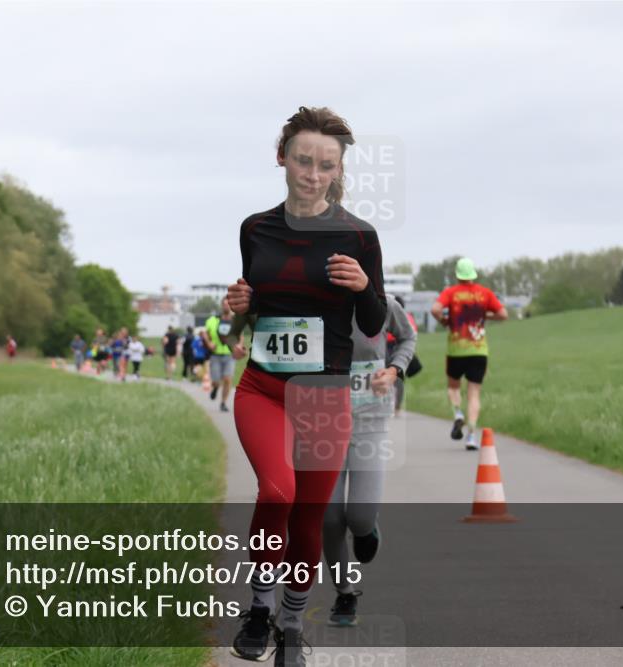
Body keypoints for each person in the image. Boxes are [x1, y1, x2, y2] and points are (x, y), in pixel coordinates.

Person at [226, 106, 387, 667]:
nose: (312, 174)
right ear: (282, 158)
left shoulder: (359, 236)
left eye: (325, 165)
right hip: (264, 388)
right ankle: (259, 607)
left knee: (308, 517)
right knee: (278, 492)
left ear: (338, 170)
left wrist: (366, 286)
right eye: (303, 160)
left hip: (326, 394)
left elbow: (371, 324)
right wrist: (237, 312)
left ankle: (292, 625)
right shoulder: (254, 228)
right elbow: (243, 323)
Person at [322, 294, 415, 626]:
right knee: (329, 520)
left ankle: (366, 527)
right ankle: (345, 593)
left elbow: (407, 337)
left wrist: (393, 370)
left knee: (359, 518)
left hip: (370, 419)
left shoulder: (384, 304)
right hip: (322, 424)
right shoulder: (314, 305)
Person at [430, 257, 508, 450]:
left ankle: (457, 413)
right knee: (474, 394)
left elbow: (435, 309)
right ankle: (471, 436)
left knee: (453, 387)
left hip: (456, 350)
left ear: (457, 274)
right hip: (479, 350)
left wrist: (444, 321)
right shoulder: (485, 293)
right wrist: (486, 315)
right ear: (473, 274)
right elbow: (503, 315)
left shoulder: (451, 292)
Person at [203, 296, 239, 412]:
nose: (226, 306)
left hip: (229, 355)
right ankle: (215, 388)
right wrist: (209, 343)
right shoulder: (212, 320)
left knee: (228, 379)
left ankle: (223, 402)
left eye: (229, 304)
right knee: (216, 381)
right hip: (215, 355)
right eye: (224, 304)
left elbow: (241, 336)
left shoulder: (236, 320)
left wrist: (239, 347)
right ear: (221, 305)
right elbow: (204, 333)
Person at [386, 295, 419, 416]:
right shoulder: (409, 317)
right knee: (399, 379)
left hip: (388, 347)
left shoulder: (391, 313)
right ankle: (397, 407)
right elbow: (413, 333)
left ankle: (388, 404)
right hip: (402, 349)